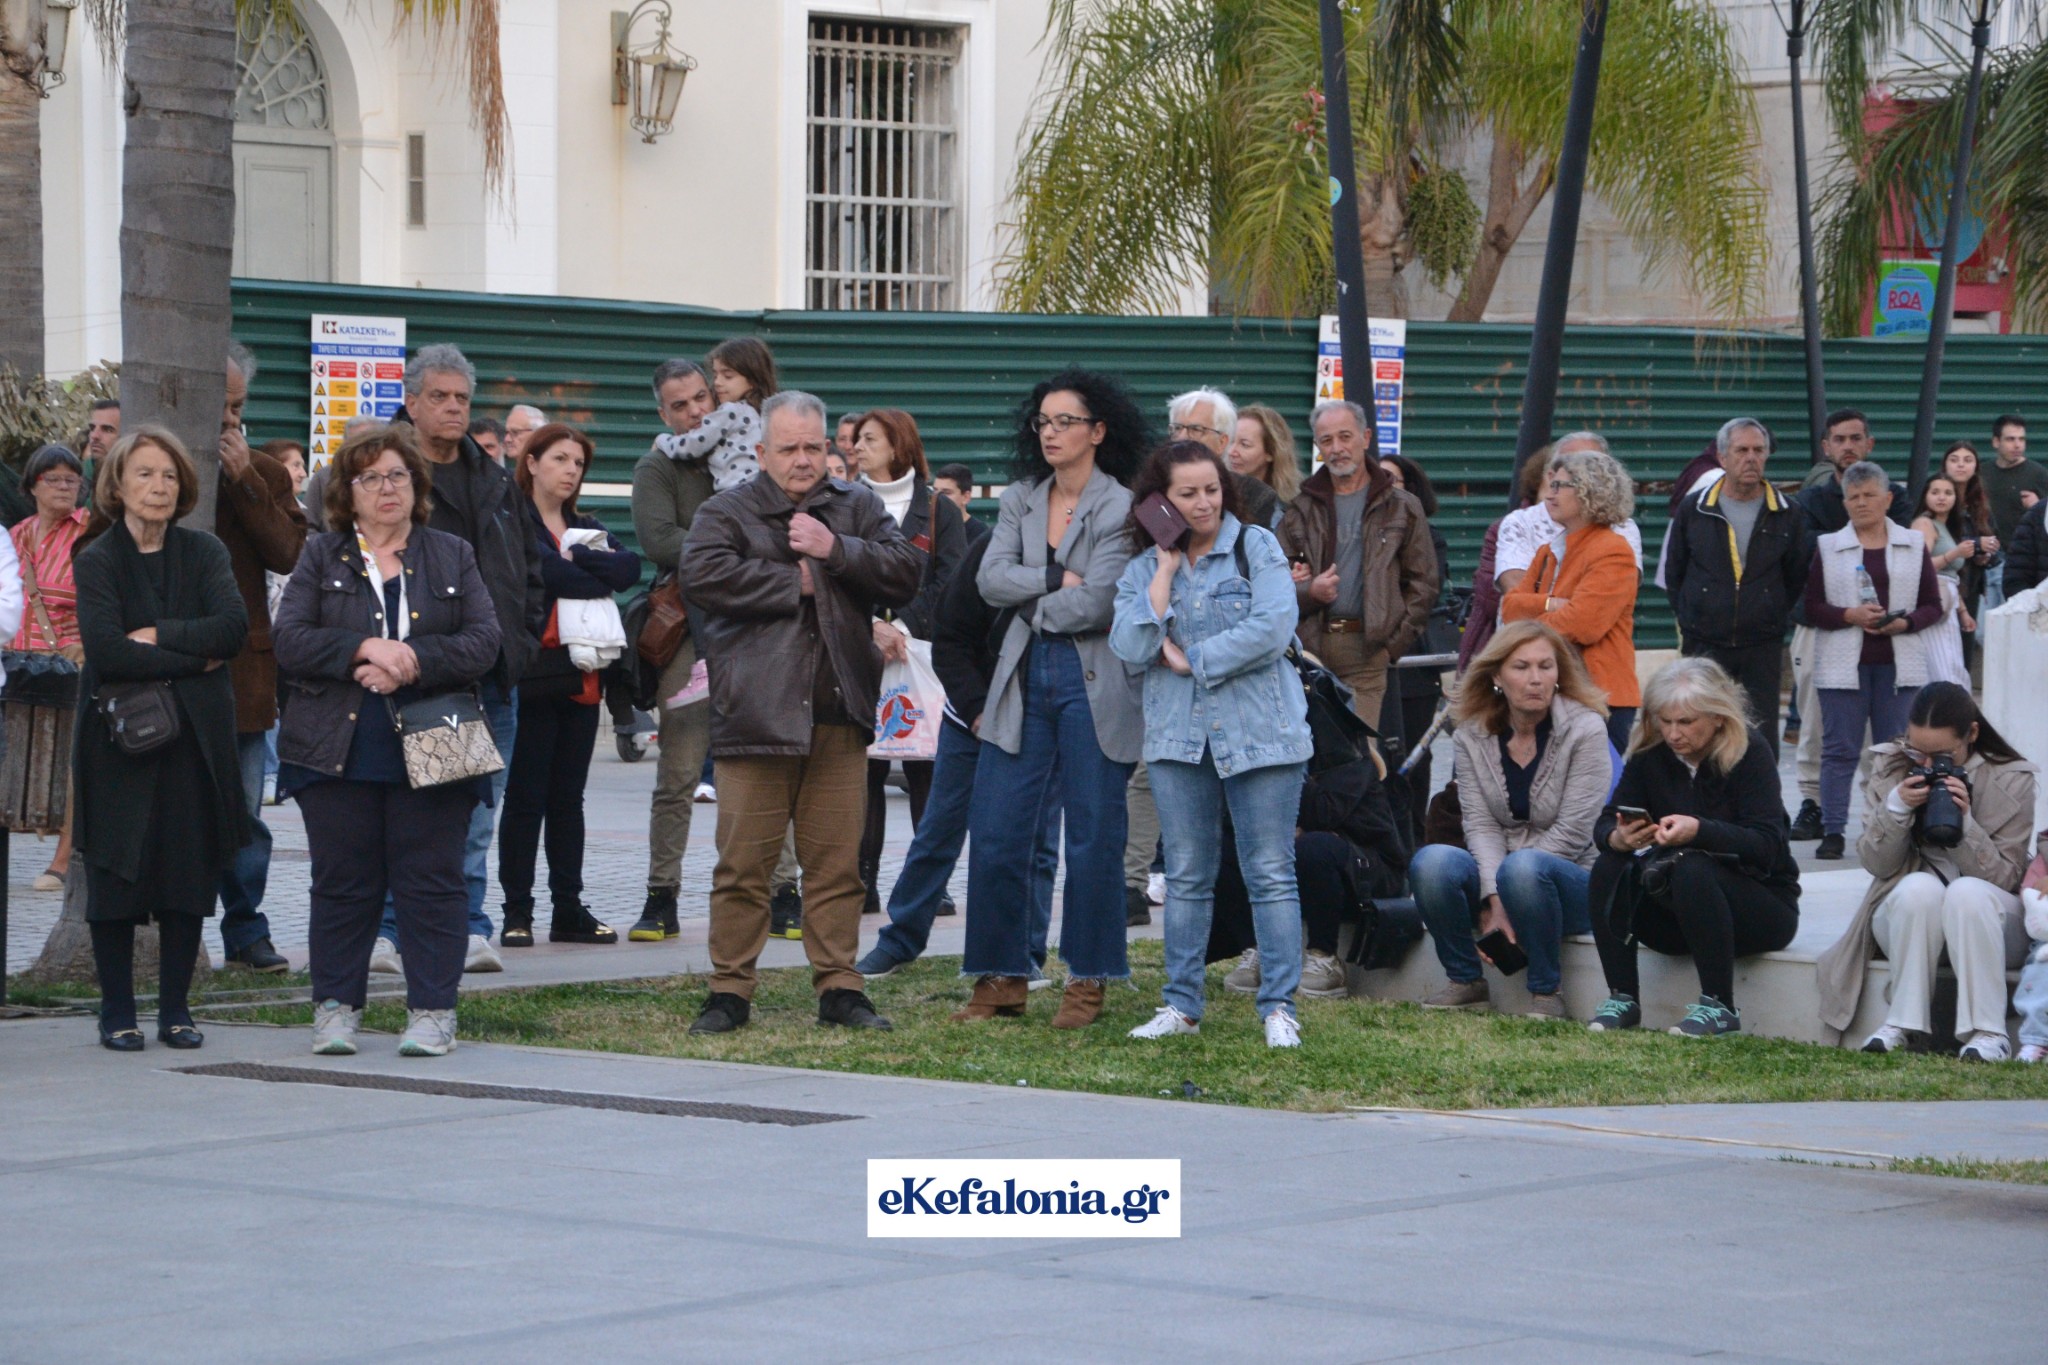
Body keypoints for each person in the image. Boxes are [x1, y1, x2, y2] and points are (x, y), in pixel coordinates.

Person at [679, 391, 922, 1035]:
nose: (803, 460)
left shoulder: (857, 506)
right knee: (742, 867)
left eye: (813, 447)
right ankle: (729, 990)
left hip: (840, 712)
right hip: (755, 717)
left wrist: (836, 550)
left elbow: (905, 570)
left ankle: (840, 987)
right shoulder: (726, 510)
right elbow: (702, 577)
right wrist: (798, 580)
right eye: (788, 448)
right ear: (762, 452)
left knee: (838, 867)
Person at [273, 424, 503, 1058]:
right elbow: (289, 639)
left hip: (437, 743)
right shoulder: (322, 555)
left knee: (432, 882)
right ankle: (335, 1009)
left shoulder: (451, 553)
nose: (386, 488)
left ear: (416, 484)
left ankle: (432, 1011)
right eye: (370, 477)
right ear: (347, 491)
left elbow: (485, 641)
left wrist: (410, 661)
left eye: (397, 475)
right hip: (337, 750)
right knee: (343, 884)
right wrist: (362, 648)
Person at [956, 368, 1146, 1029]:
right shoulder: (1020, 498)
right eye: (1044, 421)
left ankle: (1088, 977)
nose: (1051, 432)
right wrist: (1055, 578)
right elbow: (988, 579)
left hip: (1095, 679)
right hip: (1021, 673)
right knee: (998, 829)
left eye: (1067, 421)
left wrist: (1031, 600)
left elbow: (1100, 600)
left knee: (1093, 837)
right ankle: (1001, 975)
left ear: (1098, 431)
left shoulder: (1123, 506)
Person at [1111, 440, 1312, 1047]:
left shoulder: (1256, 546)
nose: (1203, 503)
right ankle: (1181, 1005)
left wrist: (1191, 658)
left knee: (1269, 873)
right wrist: (1165, 571)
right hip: (1178, 739)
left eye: (1212, 489)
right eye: (1187, 494)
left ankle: (1279, 1008)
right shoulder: (1143, 567)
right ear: (1159, 502)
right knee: (1187, 876)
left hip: (1262, 731)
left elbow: (1273, 627)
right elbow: (1130, 646)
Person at [73, 428, 250, 1052]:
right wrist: (192, 657)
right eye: (145, 474)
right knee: (116, 876)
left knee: (187, 876)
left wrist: (156, 635)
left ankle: (176, 1011)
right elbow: (108, 652)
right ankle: (116, 1011)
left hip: (195, 741)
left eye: (170, 475)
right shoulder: (97, 558)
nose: (159, 486)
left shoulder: (204, 551)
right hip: (118, 741)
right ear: (117, 486)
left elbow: (231, 629)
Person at [370, 343, 544, 976]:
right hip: (416, 676)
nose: (452, 408)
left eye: (462, 398)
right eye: (439, 396)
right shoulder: (384, 472)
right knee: (410, 813)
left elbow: (528, 567)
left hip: (490, 678)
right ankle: (389, 932)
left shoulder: (494, 478)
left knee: (474, 813)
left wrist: (518, 643)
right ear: (411, 401)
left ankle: (468, 927)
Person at [854, 529, 1064, 982]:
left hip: (1039, 720)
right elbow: (950, 639)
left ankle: (1024, 955)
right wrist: (975, 711)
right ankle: (899, 939)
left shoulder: (1088, 553)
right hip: (972, 714)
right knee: (939, 829)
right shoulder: (992, 548)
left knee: (1037, 842)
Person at [1816, 683, 2036, 1061]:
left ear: (1972, 734)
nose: (1929, 766)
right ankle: (1903, 1025)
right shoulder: (1891, 764)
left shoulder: (2012, 777)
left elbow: (2007, 879)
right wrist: (1896, 808)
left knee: (1967, 893)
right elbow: (1877, 865)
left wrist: (1966, 826)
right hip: (1911, 920)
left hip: (1989, 924)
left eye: (1943, 756)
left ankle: (1989, 1033)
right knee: (1917, 887)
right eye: (1918, 752)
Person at [1409, 621, 1613, 1019]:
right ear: (1497, 676)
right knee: (1432, 862)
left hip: (1572, 880)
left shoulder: (1586, 728)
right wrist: (1495, 897)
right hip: (1503, 878)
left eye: (1545, 666)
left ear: (1559, 673)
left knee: (1525, 868)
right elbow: (1480, 825)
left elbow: (1574, 833)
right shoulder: (1471, 733)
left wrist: (1507, 887)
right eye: (1521, 667)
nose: (1536, 679)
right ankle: (1465, 980)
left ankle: (1546, 991)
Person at [1585, 658, 1798, 1038]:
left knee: (1692, 866)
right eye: (1664, 721)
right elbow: (1606, 822)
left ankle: (1719, 1005)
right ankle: (1622, 997)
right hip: (1675, 909)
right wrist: (1618, 837)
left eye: (1685, 722)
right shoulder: (1651, 754)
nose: (1673, 733)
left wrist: (1700, 831)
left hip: (1761, 907)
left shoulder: (1750, 751)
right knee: (1610, 865)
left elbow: (1768, 845)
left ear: (1717, 717)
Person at [498, 424, 641, 946]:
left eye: (578, 463)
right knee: (525, 798)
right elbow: (545, 575)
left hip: (583, 679)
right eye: (559, 459)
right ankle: (517, 912)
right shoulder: (513, 523)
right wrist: (582, 569)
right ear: (532, 462)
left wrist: (576, 558)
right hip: (534, 675)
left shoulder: (586, 526)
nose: (571, 470)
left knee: (568, 800)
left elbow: (628, 569)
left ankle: (568, 909)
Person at [213, 346, 308, 975]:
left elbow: (287, 553)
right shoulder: (147, 465)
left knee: (245, 815)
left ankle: (246, 932)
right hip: (164, 669)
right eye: (218, 405)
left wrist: (245, 479)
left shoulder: (268, 473)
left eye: (238, 407)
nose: (228, 419)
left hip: (242, 672)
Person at [851, 408, 967, 914]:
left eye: (869, 439)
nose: (857, 447)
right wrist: (868, 628)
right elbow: (831, 574)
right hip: (858, 655)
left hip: (921, 656)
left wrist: (901, 627)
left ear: (898, 446)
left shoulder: (939, 510)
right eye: (857, 439)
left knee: (927, 773)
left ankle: (930, 885)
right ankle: (862, 883)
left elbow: (952, 582)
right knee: (865, 773)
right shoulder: (844, 502)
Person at [1804, 461, 1942, 860]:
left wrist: (1905, 622)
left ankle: (1892, 828)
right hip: (1841, 665)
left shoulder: (1913, 544)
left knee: (1897, 753)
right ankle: (1833, 830)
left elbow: (1933, 605)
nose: (1861, 503)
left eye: (1869, 495)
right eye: (1853, 497)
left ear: (1888, 499)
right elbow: (1811, 606)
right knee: (1839, 750)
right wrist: (1849, 614)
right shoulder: (1828, 546)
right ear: (1844, 502)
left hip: (1900, 666)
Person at [1786, 410, 1911, 842]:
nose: (1848, 446)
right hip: (1820, 625)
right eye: (1839, 439)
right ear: (1826, 447)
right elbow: (1806, 561)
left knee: (1882, 728)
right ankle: (1813, 803)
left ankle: (1879, 811)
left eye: (1856, 438)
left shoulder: (1897, 497)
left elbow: (1902, 556)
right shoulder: (1809, 502)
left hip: (1881, 627)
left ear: (1870, 444)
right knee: (1816, 720)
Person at [1278, 399, 1437, 729]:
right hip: (1309, 648)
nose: (1336, 448)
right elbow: (1275, 583)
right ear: (1318, 446)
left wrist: (1391, 646)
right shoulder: (1300, 509)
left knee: (1359, 751)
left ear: (1365, 438)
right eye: (1326, 440)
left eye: (1345, 436)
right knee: (1315, 749)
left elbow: (1423, 583)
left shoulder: (1402, 507)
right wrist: (1309, 590)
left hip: (1368, 650)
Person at [629, 358, 718, 941]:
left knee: (767, 764)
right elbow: (659, 539)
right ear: (664, 414)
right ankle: (661, 897)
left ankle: (782, 892)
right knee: (680, 771)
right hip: (688, 625)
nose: (694, 412)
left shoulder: (748, 450)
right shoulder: (657, 465)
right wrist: (736, 544)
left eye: (701, 398)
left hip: (757, 625)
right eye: (680, 405)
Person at [1663, 417, 1807, 753]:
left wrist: (1770, 612)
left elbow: (1796, 575)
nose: (1751, 458)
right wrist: (1695, 615)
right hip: (1704, 640)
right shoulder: (1695, 509)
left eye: (1758, 450)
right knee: (1700, 730)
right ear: (1723, 457)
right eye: (1742, 450)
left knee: (1760, 735)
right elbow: (1675, 573)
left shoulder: (1788, 513)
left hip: (1762, 642)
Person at [1500, 447, 1640, 751]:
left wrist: (1527, 629)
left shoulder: (1613, 550)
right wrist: (1550, 604)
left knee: (1593, 783)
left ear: (1591, 492)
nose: (1550, 494)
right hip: (1555, 693)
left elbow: (1583, 625)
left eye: (1560, 486)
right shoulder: (1549, 550)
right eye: (1551, 485)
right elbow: (1509, 609)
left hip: (1600, 697)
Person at [10, 444, 88, 891]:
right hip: (18, 667)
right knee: (20, 759)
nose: (63, 486)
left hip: (67, 665)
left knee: (70, 764)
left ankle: (63, 858)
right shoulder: (16, 535)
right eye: (52, 479)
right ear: (32, 486)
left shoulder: (89, 532)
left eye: (71, 479)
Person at [1493, 431, 1645, 596]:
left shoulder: (1622, 527)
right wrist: (1555, 603)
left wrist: (1547, 599)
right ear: (1552, 476)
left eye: (1591, 471)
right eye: (1572, 471)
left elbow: (1611, 592)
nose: (1584, 479)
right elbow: (1516, 594)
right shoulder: (1520, 522)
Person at [663, 337, 778, 493]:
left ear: (752, 380)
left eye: (727, 376)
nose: (717, 382)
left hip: (737, 493)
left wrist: (663, 441)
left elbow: (694, 444)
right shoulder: (766, 413)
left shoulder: (732, 411)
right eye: (715, 374)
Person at [1908, 475, 1976, 685]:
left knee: (1952, 661)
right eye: (1935, 492)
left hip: (1949, 599)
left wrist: (1963, 611)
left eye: (1948, 493)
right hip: (1932, 598)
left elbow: (1951, 577)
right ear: (1925, 496)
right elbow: (1919, 564)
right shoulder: (1924, 523)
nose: (1941, 498)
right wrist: (1955, 553)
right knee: (1942, 663)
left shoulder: (1947, 526)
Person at [1976, 414, 2044, 608]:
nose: (2017, 445)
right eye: (2010, 439)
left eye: (2021, 439)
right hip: (1986, 559)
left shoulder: (2037, 474)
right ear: (1996, 442)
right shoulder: (1982, 473)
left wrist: (2038, 506)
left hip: (2022, 563)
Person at [1227, 404, 1302, 514]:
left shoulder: (1288, 511)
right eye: (1231, 441)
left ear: (1270, 453)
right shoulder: (1216, 499)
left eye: (1244, 444)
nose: (1231, 452)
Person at [932, 462, 988, 546]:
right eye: (935, 491)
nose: (938, 497)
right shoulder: (927, 528)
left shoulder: (980, 534)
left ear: (966, 497)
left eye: (946, 493)